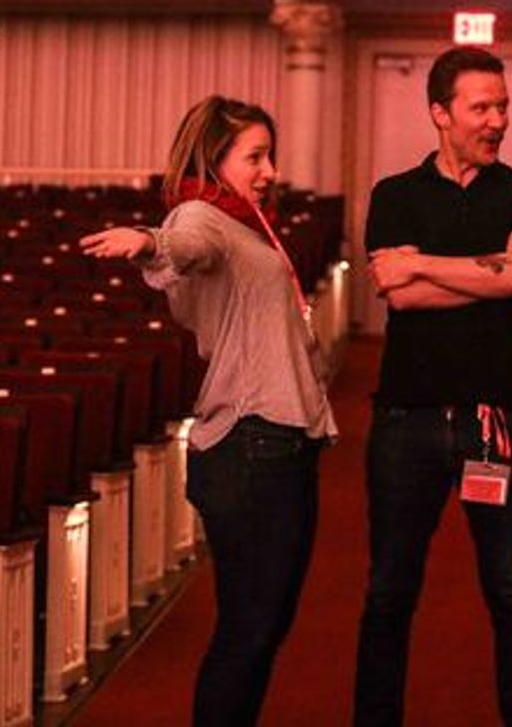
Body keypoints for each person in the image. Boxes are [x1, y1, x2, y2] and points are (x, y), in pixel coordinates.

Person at [79, 95, 336, 727]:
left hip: (277, 443)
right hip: (253, 445)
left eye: (270, 156)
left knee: (263, 626)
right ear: (213, 160)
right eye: (255, 157)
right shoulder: (204, 215)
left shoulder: (246, 224)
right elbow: (186, 243)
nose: (270, 171)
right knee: (250, 629)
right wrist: (148, 241)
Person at [355, 46, 512, 727]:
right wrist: (495, 273)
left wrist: (425, 264)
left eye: (503, 106)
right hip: (406, 420)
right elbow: (399, 294)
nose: (498, 120)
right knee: (388, 593)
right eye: (482, 107)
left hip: (502, 419)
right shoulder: (395, 194)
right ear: (440, 113)